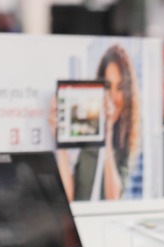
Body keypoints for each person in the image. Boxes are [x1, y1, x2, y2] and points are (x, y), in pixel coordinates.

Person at [55, 44, 141, 201]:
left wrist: (107, 137)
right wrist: (60, 141)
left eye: (120, 88)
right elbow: (67, 196)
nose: (113, 97)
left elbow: (113, 198)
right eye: (108, 86)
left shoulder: (125, 138)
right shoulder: (85, 128)